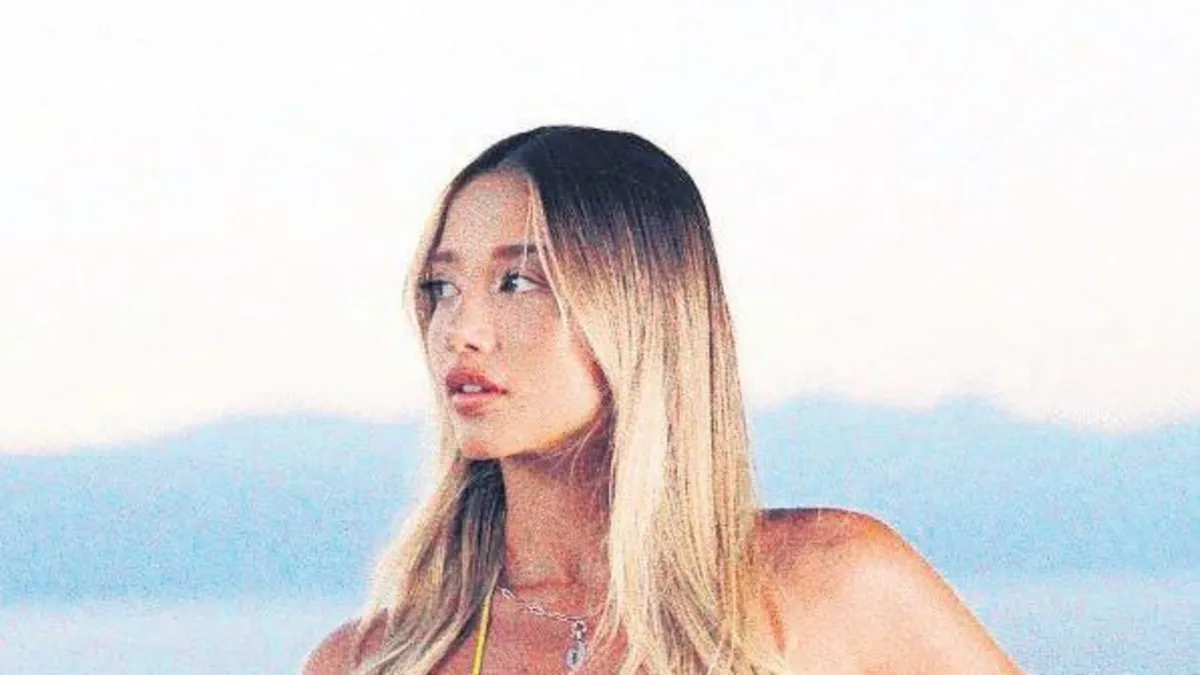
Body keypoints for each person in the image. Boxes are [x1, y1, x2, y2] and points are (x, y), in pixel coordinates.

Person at [303, 125, 1022, 674]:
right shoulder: (371, 662)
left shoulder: (835, 584)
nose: (461, 330)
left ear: (641, 311)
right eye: (442, 287)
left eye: (517, 282)